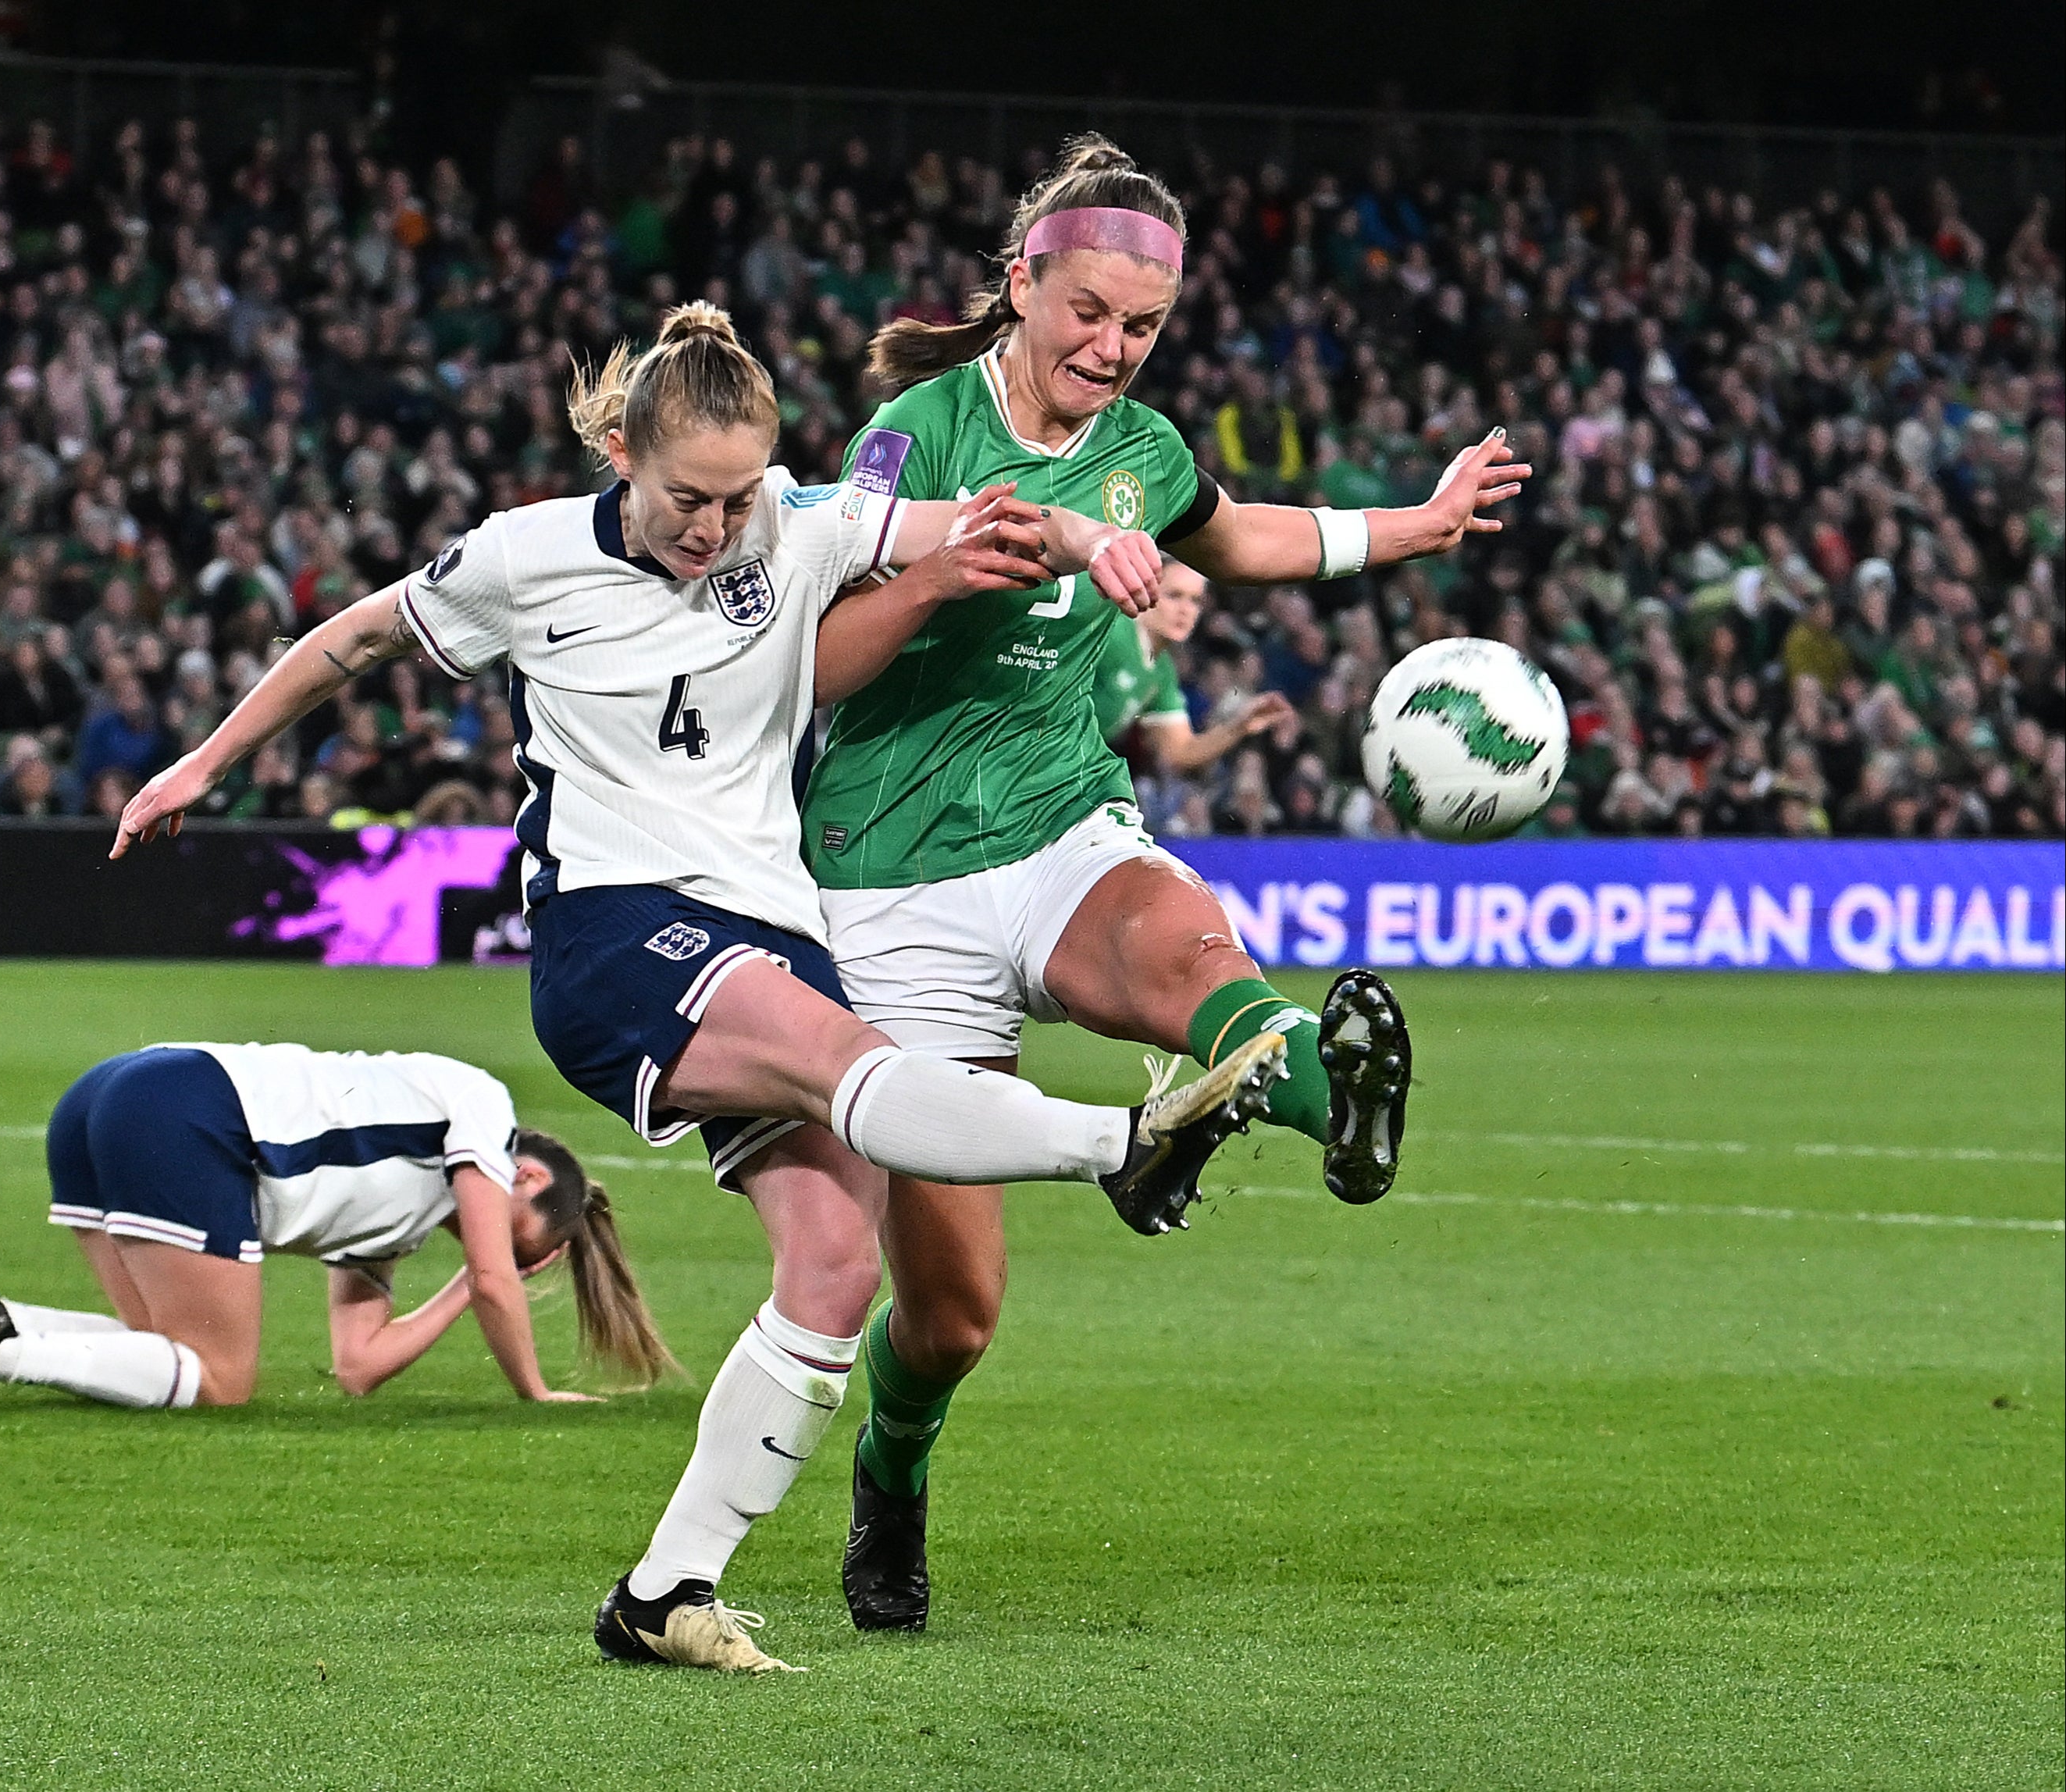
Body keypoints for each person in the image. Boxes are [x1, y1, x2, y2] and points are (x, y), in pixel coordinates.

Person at [112, 303, 1275, 1673]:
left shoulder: (797, 522)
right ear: (619, 451)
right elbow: (354, 642)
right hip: (617, 932)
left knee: (837, 1265)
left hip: (767, 927)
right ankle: (1125, 1147)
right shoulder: (522, 557)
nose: (713, 528)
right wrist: (203, 762)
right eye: (686, 498)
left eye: (736, 499)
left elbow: (982, 518)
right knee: (855, 1064)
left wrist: (1095, 538)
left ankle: (665, 1592)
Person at [805, 136, 1526, 1632]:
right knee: (949, 1320)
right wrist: (947, 571)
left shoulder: (1139, 445)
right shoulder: (910, 438)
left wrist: (1416, 523)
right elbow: (810, 661)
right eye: (1086, 314)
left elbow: (1233, 534)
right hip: (889, 888)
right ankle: (891, 1475)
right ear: (1020, 285)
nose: (1110, 348)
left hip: (1061, 822)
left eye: (1139, 327)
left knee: (1202, 961)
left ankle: (1333, 1102)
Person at [0, 1042, 669, 1410]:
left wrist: (467, 1281)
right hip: (189, 1108)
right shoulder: (486, 1114)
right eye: (542, 1247)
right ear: (524, 1178)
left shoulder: (398, 1221)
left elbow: (358, 1367)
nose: (523, 1265)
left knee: (150, 1347)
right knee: (220, 1381)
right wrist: (533, 1390)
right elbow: (499, 1277)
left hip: (123, 1089)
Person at [1091, 558, 1295, 768]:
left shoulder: (1162, 670)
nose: (1186, 610)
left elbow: (1179, 752)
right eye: (1174, 596)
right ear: (1143, 591)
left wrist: (1241, 725)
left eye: (1195, 600)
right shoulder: (1110, 631)